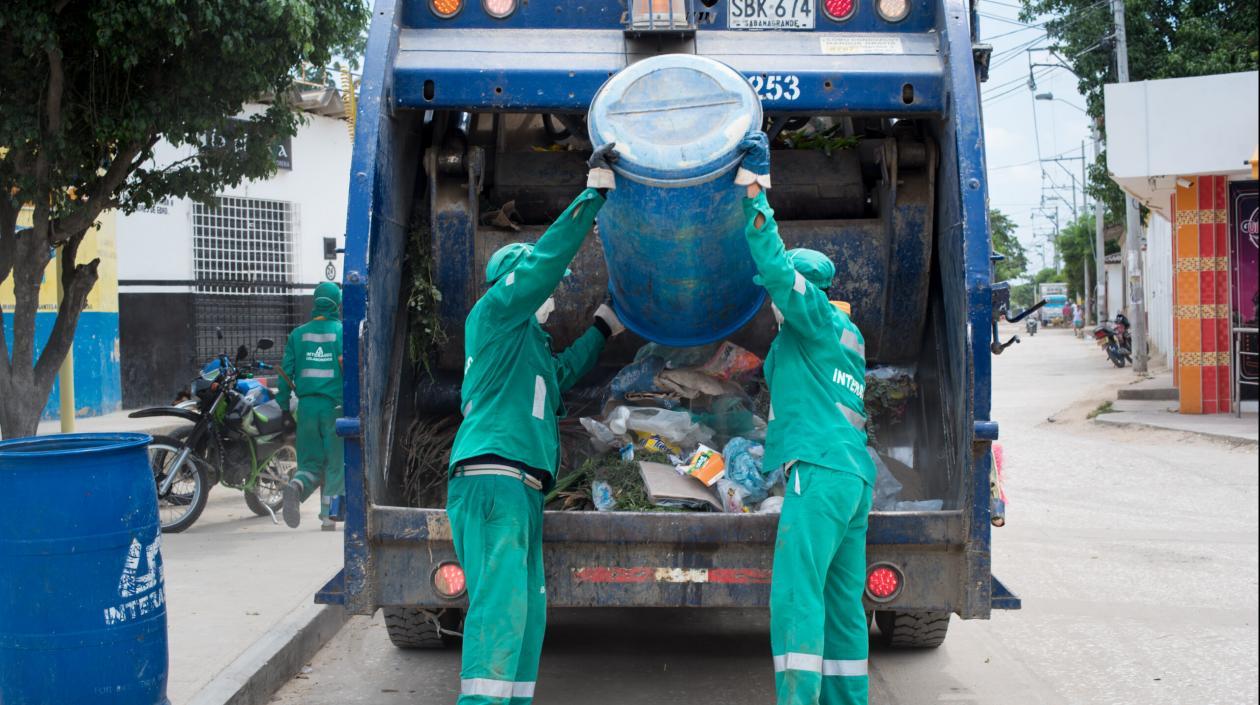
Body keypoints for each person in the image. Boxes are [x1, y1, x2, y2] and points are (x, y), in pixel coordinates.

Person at [445, 144, 625, 705]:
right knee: (499, 614)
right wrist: (592, 194)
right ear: (513, 284)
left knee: (527, 614)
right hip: (492, 481)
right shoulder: (496, 315)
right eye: (540, 289)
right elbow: (543, 266)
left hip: (520, 490)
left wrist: (602, 327)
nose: (552, 296)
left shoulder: (529, 347)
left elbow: (563, 372)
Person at [737, 131, 875, 705]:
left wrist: (755, 193)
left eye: (780, 297)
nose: (772, 303)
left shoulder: (813, 318)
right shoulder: (849, 334)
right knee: (843, 605)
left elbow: (774, 269)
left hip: (816, 475)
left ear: (804, 292)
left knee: (797, 599)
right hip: (853, 479)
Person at [278, 281, 345, 531]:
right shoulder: (341, 332)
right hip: (334, 408)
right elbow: (348, 368)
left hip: (306, 409)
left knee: (310, 463)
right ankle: (330, 515)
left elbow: (285, 374)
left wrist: (284, 407)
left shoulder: (298, 334)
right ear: (337, 303)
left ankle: (296, 486)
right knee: (335, 463)